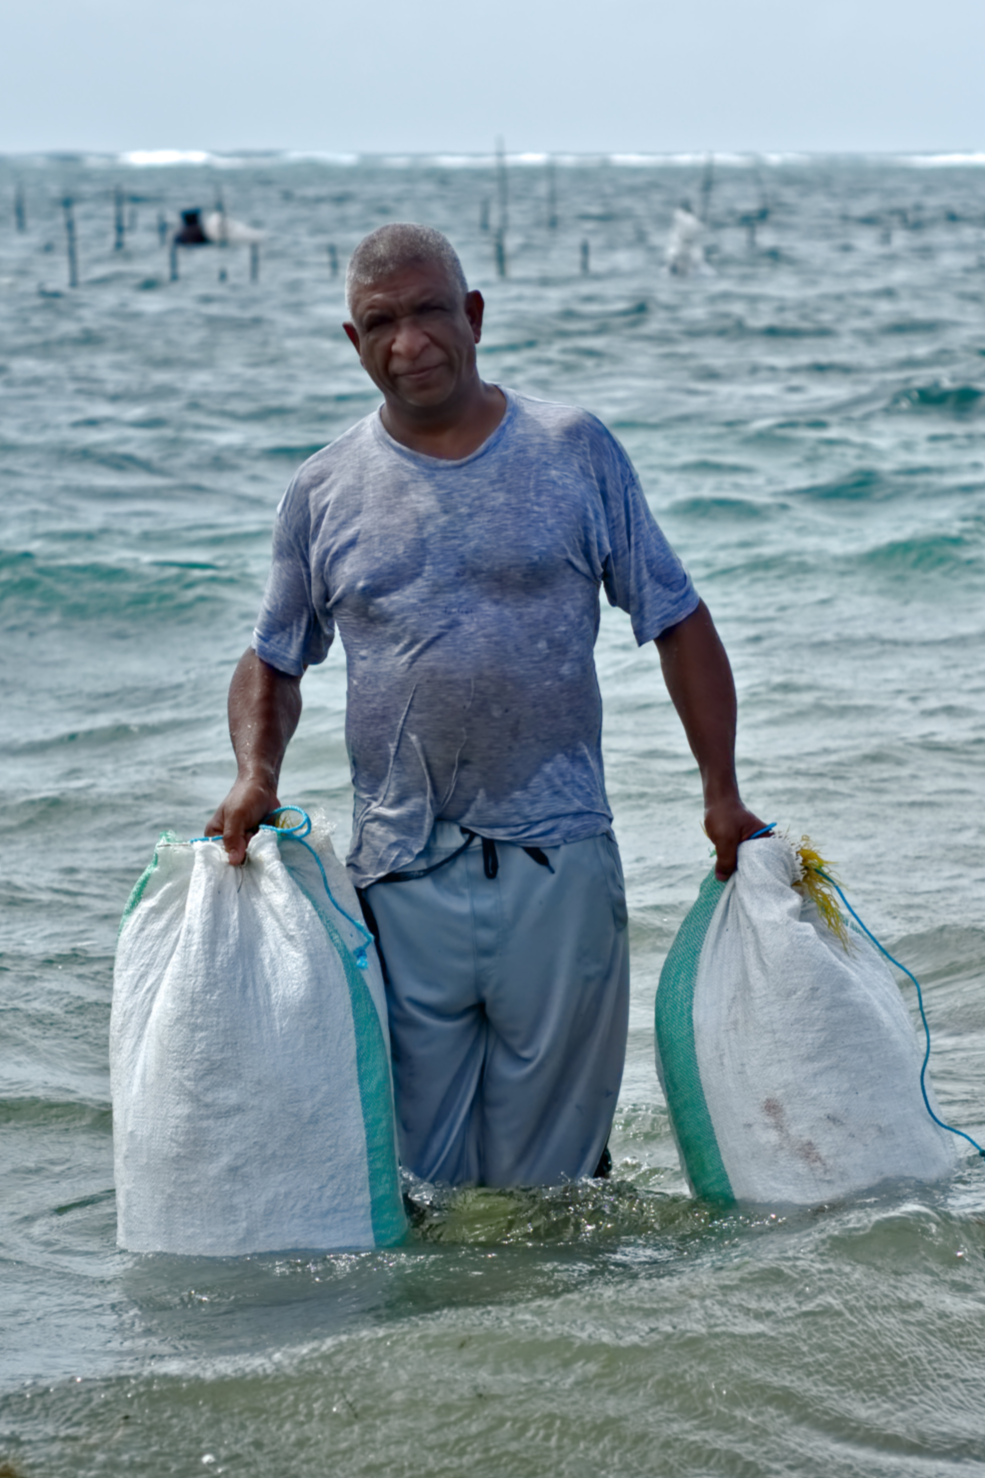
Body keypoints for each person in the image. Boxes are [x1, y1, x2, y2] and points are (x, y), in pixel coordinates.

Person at [206, 223, 764, 1189]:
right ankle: (437, 1347)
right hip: (397, 876)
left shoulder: (572, 450)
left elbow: (675, 618)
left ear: (472, 316)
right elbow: (273, 657)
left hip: (559, 861)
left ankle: (552, 1340)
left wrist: (720, 791)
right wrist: (256, 775)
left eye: (428, 311)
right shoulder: (322, 490)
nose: (408, 341)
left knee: (551, 1189)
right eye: (380, 322)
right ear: (353, 341)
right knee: (417, 1181)